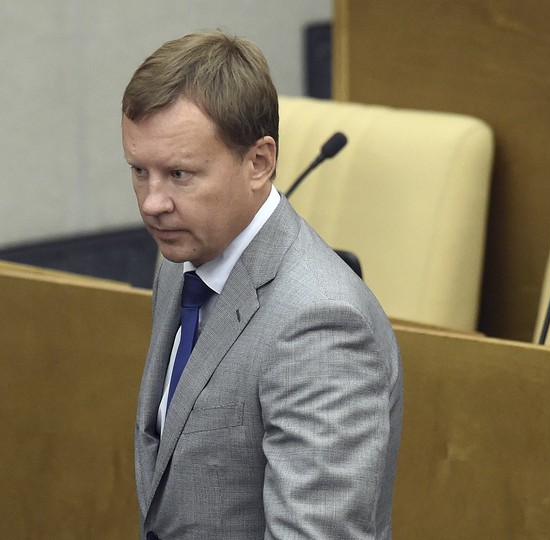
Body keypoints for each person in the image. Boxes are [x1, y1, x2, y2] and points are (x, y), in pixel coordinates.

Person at [122, 30, 403, 539]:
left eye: (180, 174)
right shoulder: (179, 257)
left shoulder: (321, 325)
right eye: (140, 171)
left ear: (259, 162)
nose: (151, 203)